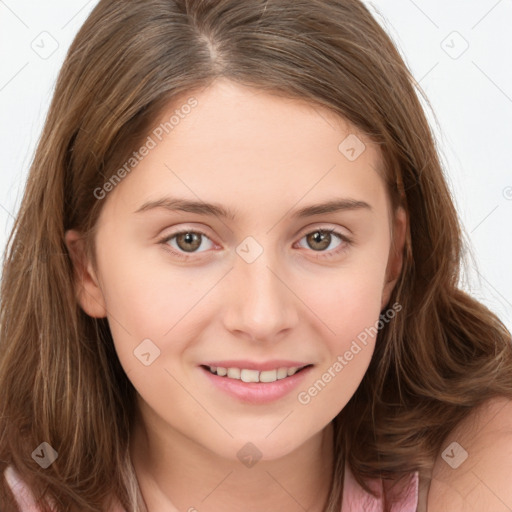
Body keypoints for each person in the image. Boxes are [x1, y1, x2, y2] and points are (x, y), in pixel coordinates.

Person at [1, 1, 511, 511]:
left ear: (393, 259)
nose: (262, 317)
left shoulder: (485, 466)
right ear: (86, 269)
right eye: (189, 240)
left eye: (320, 239)